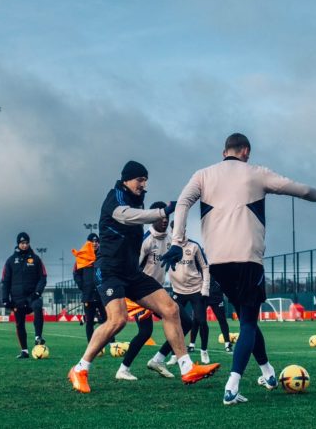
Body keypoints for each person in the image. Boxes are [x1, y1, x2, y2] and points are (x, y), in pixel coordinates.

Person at [161, 133, 316, 405]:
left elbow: (182, 203)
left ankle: (267, 372)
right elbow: (298, 189)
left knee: (248, 317)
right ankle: (233, 385)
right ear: (246, 151)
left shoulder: (203, 175)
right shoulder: (255, 173)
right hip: (248, 260)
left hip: (218, 263)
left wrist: (177, 241)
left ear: (224, 152)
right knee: (247, 322)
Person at [67, 161, 219, 394]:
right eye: (140, 179)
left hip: (131, 273)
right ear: (127, 179)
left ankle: (187, 368)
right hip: (109, 270)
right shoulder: (115, 197)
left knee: (171, 309)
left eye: (146, 180)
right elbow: (127, 216)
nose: (144, 184)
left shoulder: (136, 198)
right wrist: (163, 211)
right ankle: (80, 368)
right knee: (117, 320)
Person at [115, 201, 177, 381]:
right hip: (140, 293)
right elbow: (133, 268)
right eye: (161, 217)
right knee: (145, 332)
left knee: (185, 321)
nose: (165, 220)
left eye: (167, 217)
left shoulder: (169, 238)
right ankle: (123, 369)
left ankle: (158, 359)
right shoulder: (146, 240)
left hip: (158, 291)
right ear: (153, 218)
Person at [166, 228, 211, 364]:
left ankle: (204, 350)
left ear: (184, 230)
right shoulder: (168, 246)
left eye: (181, 230)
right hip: (178, 291)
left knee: (201, 321)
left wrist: (205, 288)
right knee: (176, 324)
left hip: (196, 290)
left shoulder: (194, 246)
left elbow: (205, 267)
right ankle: (175, 354)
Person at [2, 232, 48, 359]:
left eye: (26, 243)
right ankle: (24, 351)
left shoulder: (36, 259)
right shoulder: (10, 261)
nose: (24, 245)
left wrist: (37, 292)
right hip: (17, 299)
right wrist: (5, 299)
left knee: (38, 306)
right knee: (19, 324)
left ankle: (38, 336)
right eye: (22, 243)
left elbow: (43, 277)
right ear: (18, 244)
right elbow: (5, 281)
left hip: (32, 296)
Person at [72, 233, 110, 344]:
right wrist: (82, 286)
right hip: (88, 294)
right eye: (92, 241)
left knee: (107, 320)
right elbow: (76, 274)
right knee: (89, 322)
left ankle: (111, 343)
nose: (94, 243)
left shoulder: (103, 256)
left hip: (101, 294)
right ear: (87, 243)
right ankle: (91, 344)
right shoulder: (81, 257)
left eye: (96, 241)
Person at [190, 279, 233, 353]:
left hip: (217, 296)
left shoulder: (217, 267)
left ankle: (227, 344)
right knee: (196, 320)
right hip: (203, 296)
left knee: (222, 320)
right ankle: (191, 345)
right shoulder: (201, 267)